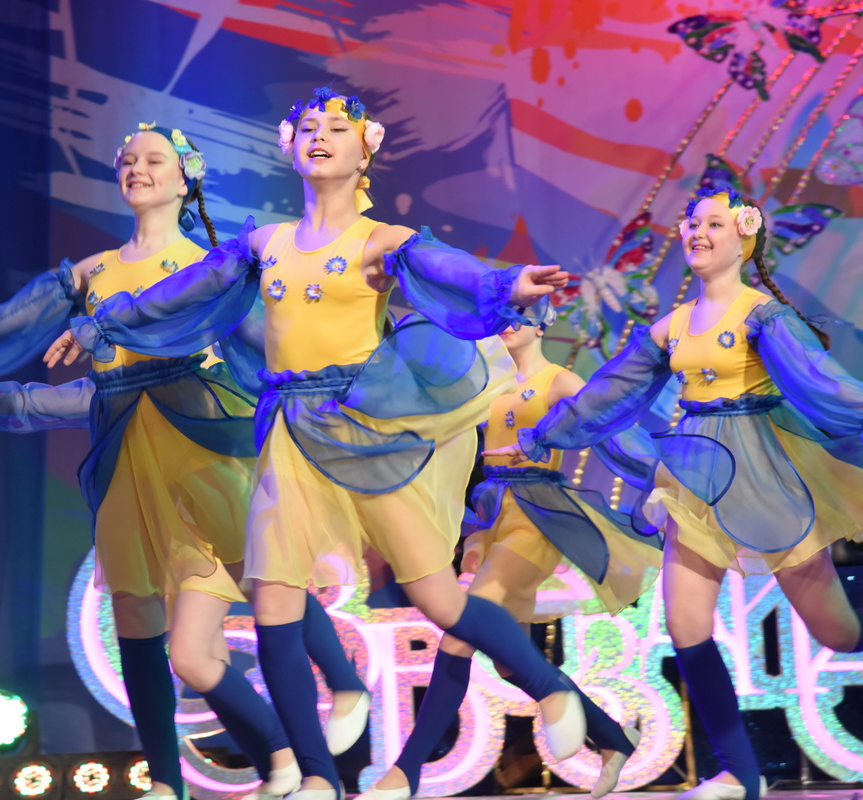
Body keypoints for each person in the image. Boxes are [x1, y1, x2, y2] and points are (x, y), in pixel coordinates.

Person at [59, 88, 587, 800]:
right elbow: (181, 293)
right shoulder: (265, 244)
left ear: (364, 151)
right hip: (288, 430)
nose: (319, 135)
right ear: (289, 147)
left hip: (364, 429)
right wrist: (104, 322)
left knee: (436, 595)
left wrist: (506, 282)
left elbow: (447, 269)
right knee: (273, 601)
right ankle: (315, 776)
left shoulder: (380, 241)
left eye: (337, 128)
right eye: (307, 126)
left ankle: (552, 687)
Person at [0, 123, 368, 800]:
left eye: (153, 159)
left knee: (264, 577)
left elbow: (276, 347)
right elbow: (17, 329)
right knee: (139, 620)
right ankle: (168, 780)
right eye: (127, 159)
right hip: (129, 462)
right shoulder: (92, 273)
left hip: (201, 443)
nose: (137, 168)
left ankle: (341, 694)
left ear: (185, 178)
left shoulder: (207, 265)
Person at [485, 187, 863, 800]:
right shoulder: (673, 325)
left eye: (713, 223)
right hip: (695, 480)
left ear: (744, 237)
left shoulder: (762, 315)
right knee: (686, 625)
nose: (697, 233)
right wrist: (542, 435)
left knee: (838, 633)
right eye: (691, 223)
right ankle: (740, 773)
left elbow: (824, 383)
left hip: (765, 478)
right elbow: (610, 392)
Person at [361, 309, 664, 800]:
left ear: (542, 326)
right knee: (509, 661)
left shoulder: (559, 380)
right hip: (492, 517)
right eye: (502, 313)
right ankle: (612, 738)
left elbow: (611, 427)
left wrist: (661, 476)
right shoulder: (486, 382)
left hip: (538, 518)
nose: (509, 322)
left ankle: (406, 772)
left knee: (460, 635)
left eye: (521, 316)